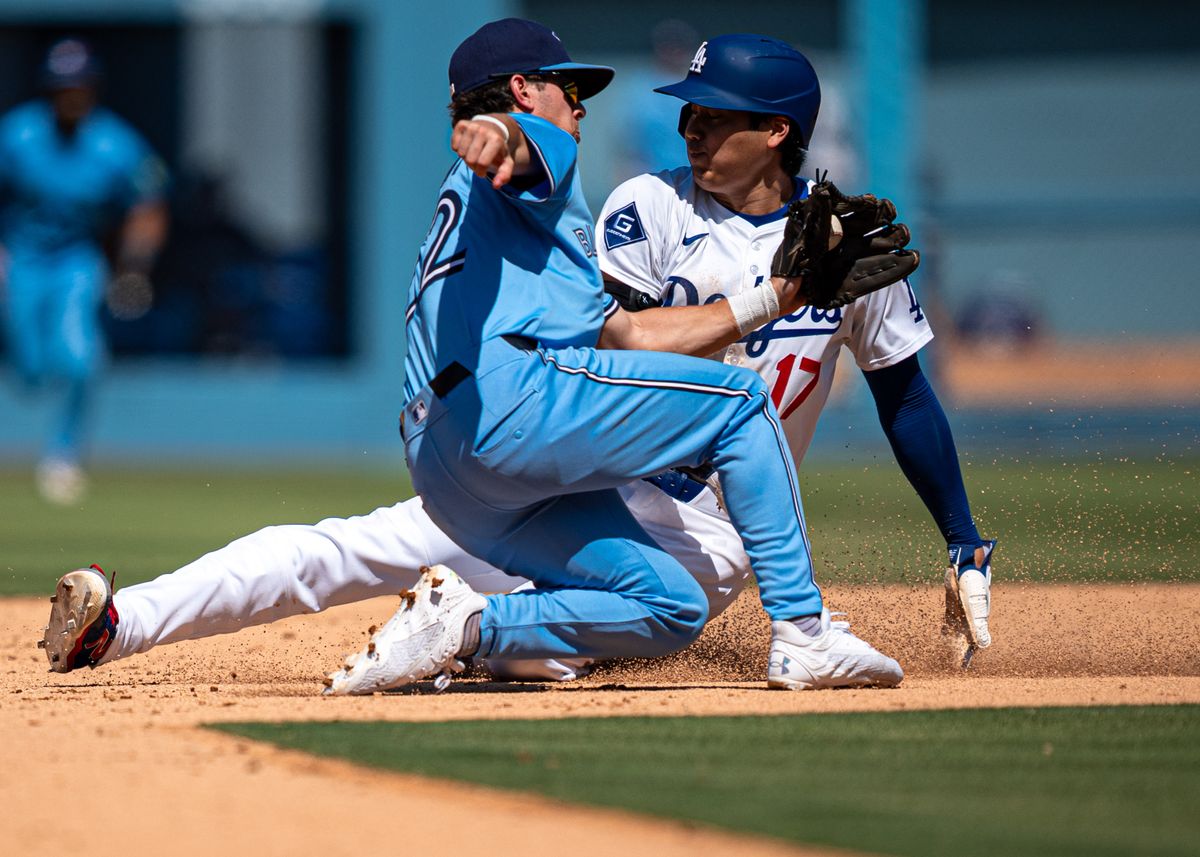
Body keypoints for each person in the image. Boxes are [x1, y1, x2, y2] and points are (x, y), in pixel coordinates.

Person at [38, 27, 982, 690]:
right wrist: (499, 132)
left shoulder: (844, 248)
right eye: (570, 89)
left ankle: (130, 623)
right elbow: (608, 315)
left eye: (712, 114)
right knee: (725, 432)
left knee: (367, 558)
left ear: (776, 130)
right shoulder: (606, 186)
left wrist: (962, 539)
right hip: (572, 453)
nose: (682, 126)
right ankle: (795, 632)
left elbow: (899, 392)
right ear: (528, 92)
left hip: (588, 489)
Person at [0, 38, 168, 504]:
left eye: (79, 86)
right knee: (32, 368)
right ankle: (33, 373)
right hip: (22, 256)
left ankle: (63, 455)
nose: (71, 96)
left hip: (76, 257)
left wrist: (134, 264)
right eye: (62, 87)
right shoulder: (18, 134)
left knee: (79, 357)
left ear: (93, 88)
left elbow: (148, 204)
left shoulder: (115, 142)